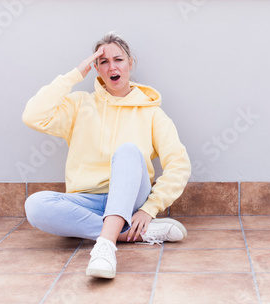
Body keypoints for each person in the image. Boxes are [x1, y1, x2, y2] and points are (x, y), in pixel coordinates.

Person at [22, 32, 191, 279]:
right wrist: (75, 74)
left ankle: (105, 247)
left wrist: (150, 208)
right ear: (96, 69)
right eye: (103, 62)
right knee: (35, 205)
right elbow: (33, 116)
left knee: (128, 151)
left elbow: (179, 163)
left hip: (131, 199)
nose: (112, 66)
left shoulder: (152, 113)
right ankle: (127, 233)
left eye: (118, 60)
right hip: (87, 200)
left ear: (130, 64)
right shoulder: (80, 104)